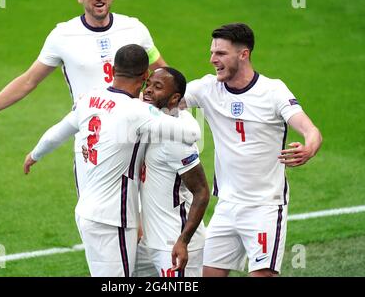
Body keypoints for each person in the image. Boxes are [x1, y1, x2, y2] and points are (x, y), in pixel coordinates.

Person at [0, 0, 166, 192]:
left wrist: (176, 105)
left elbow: (163, 74)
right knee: (92, 214)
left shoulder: (134, 28)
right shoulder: (63, 36)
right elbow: (29, 80)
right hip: (91, 140)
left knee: (146, 213)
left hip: (136, 133)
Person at [23, 44, 200, 277]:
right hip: (113, 218)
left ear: (113, 69)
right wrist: (183, 112)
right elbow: (191, 134)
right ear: (145, 75)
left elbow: (58, 132)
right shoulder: (137, 111)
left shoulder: (90, 98)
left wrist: (34, 155)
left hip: (86, 211)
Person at [181, 23, 322, 277]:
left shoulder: (273, 91)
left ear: (243, 54)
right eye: (213, 52)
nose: (213, 59)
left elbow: (311, 130)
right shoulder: (207, 88)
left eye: (221, 53)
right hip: (226, 206)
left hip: (264, 208)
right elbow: (166, 100)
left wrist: (309, 147)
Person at [132, 68, 210, 277]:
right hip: (148, 241)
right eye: (148, 84)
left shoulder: (176, 140)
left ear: (175, 98)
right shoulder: (151, 120)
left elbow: (202, 192)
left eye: (157, 87)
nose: (148, 91)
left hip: (174, 243)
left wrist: (183, 242)